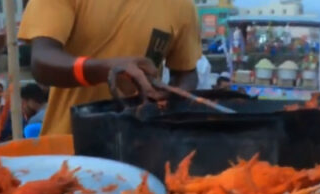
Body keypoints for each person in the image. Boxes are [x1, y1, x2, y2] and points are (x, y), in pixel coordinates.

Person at [18, 0, 202, 135]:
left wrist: (171, 96)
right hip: (69, 149)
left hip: (140, 148)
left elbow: (186, 73)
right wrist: (105, 70)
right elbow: (41, 61)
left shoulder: (182, 6)